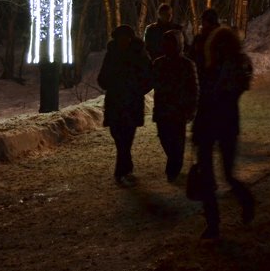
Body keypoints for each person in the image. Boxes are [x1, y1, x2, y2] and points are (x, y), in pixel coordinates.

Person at [193, 25, 255, 240]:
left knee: (224, 175)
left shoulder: (233, 68)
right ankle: (213, 223)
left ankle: (244, 201)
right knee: (210, 177)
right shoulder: (215, 68)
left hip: (221, 123)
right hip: (216, 125)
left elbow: (219, 95)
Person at [97, 24, 152, 186]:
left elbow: (149, 76)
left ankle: (121, 169)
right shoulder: (112, 54)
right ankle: (126, 166)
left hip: (131, 101)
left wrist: (137, 89)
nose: (123, 41)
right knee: (118, 135)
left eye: (125, 38)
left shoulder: (138, 53)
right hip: (116, 101)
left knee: (126, 136)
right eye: (120, 38)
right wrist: (110, 84)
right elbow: (102, 77)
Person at [151, 30, 198, 181]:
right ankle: (174, 162)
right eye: (166, 42)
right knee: (164, 137)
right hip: (163, 109)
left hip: (179, 109)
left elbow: (193, 88)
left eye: (171, 42)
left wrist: (190, 109)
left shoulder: (186, 64)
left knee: (177, 140)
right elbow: (151, 82)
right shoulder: (158, 63)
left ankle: (173, 168)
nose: (168, 46)